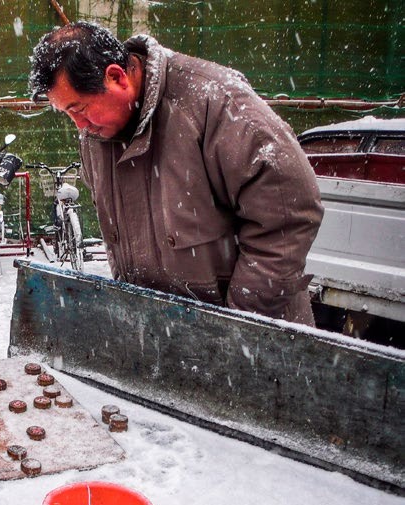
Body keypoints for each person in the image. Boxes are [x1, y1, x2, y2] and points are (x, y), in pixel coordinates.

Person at [28, 22, 323, 324]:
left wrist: (239, 325)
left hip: (252, 345)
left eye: (79, 109)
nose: (79, 125)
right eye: (67, 114)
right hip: (163, 339)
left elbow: (290, 210)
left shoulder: (215, 100)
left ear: (116, 77)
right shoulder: (96, 135)